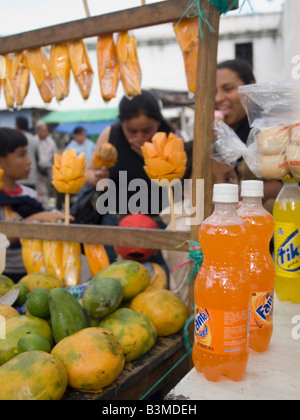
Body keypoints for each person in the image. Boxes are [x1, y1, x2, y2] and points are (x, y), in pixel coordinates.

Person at [84, 89, 174, 263]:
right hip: (116, 221)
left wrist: (151, 160)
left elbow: (179, 183)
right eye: (132, 131)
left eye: (147, 130)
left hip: (158, 224)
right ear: (122, 123)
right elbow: (88, 171)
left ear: (158, 122)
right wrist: (96, 177)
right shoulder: (111, 135)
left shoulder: (170, 139)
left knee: (158, 280)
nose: (139, 137)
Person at [160, 140, 239, 304]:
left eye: (229, 178)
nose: (222, 188)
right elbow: (193, 297)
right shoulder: (183, 228)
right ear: (184, 189)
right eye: (208, 182)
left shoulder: (240, 221)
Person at [0, 128, 70, 282]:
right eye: (21, 155)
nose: (29, 161)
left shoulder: (30, 194)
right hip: (4, 274)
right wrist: (35, 219)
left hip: (33, 272)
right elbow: (2, 238)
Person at [215, 59, 282, 212]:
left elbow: (284, 185)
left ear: (251, 89)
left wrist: (234, 193)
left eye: (228, 89)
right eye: (213, 92)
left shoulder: (270, 130)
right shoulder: (219, 133)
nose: (218, 98)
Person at [35, 122, 57, 209]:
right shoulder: (34, 140)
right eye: (43, 130)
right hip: (38, 169)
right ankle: (44, 208)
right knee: (41, 190)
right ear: (38, 131)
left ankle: (51, 207)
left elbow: (55, 156)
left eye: (46, 130)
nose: (45, 132)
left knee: (50, 189)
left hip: (48, 169)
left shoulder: (51, 142)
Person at [15, 116, 38, 189]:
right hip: (32, 174)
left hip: (19, 176)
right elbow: (37, 156)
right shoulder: (33, 138)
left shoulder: (15, 138)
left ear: (17, 126)